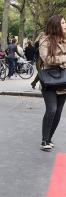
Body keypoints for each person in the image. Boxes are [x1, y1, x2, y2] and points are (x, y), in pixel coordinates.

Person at [39, 15, 66, 150]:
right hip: (50, 79)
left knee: (58, 112)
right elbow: (46, 59)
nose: (65, 24)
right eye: (62, 22)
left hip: (64, 80)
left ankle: (49, 139)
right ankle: (44, 140)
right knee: (52, 110)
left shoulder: (65, 40)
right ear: (56, 25)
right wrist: (63, 59)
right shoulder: (45, 39)